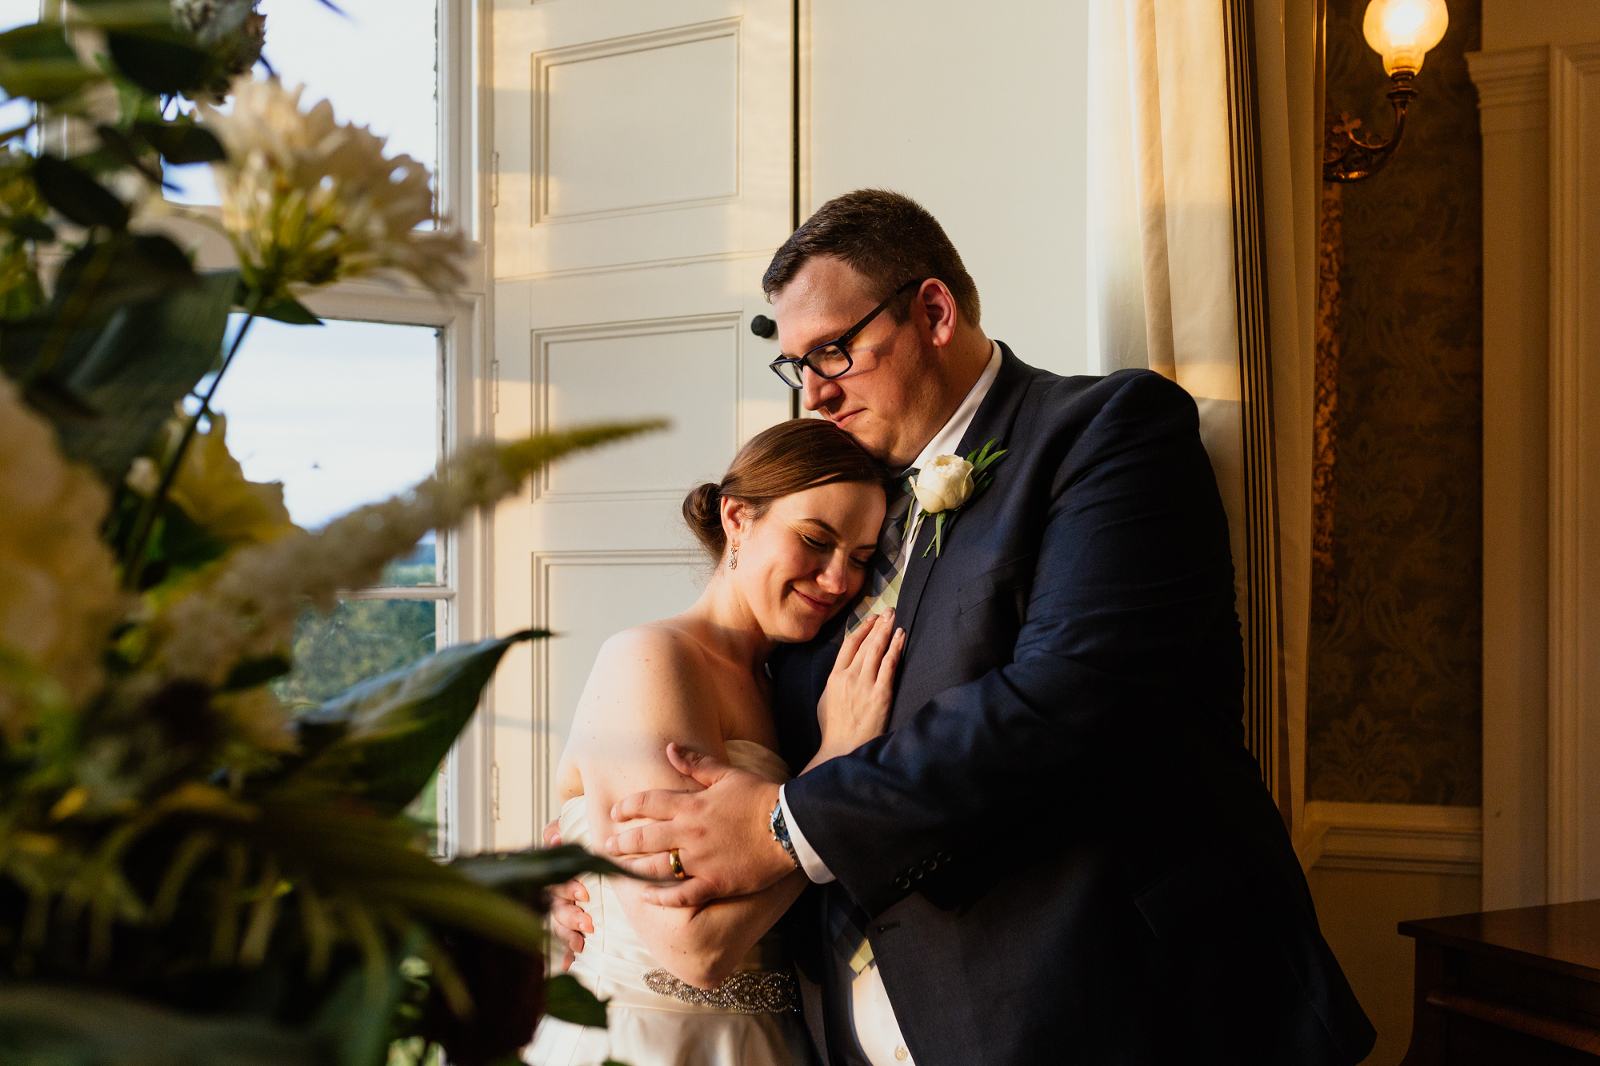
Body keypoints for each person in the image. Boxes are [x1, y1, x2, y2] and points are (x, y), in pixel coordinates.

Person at [552, 189, 1377, 1066]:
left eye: (834, 350)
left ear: (934, 311)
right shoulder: (839, 511)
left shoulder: (1107, 434)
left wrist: (782, 826)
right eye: (797, 367)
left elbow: (1068, 698)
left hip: (1112, 1013)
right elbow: (716, 731)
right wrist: (575, 856)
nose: (817, 392)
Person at [527, 417, 908, 1066]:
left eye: (862, 560)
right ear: (737, 519)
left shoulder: (786, 685)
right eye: (816, 539)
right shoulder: (649, 659)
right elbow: (692, 948)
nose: (839, 579)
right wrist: (831, 772)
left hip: (775, 1042)